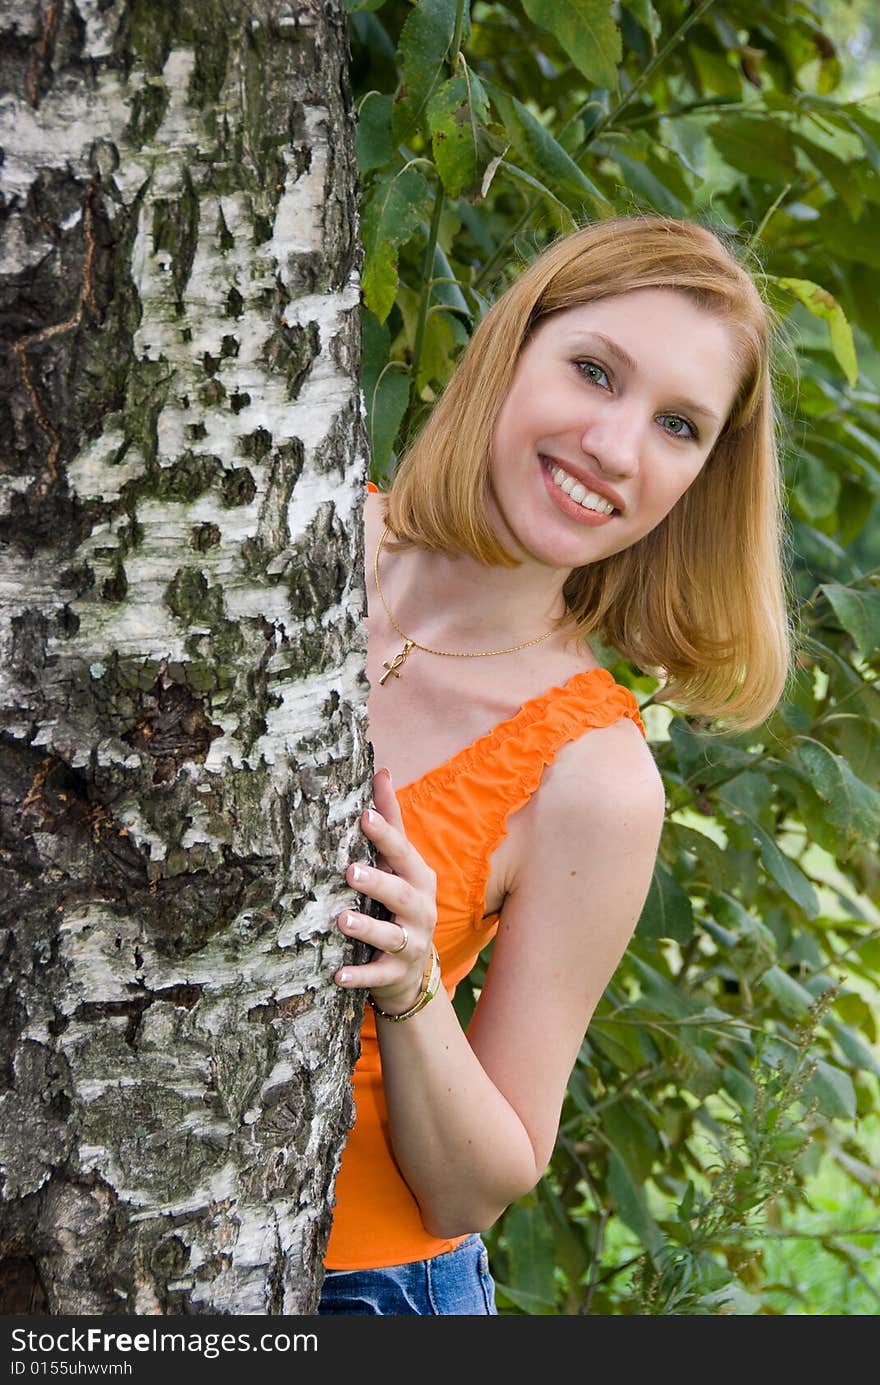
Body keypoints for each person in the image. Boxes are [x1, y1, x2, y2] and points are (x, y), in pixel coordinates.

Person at [318, 214, 791, 1315]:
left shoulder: (594, 775)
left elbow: (480, 1181)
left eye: (677, 424)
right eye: (593, 370)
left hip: (362, 1292)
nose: (615, 448)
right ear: (509, 347)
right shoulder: (286, 543)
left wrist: (413, 986)